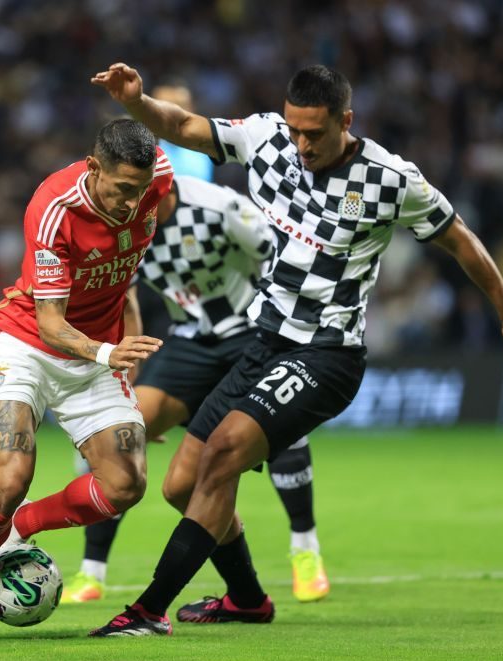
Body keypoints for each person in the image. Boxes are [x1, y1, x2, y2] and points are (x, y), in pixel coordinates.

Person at [88, 62, 503, 636]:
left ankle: (148, 610)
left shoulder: (389, 178)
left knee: (224, 453)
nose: (301, 145)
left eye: (315, 134)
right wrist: (138, 104)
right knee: (181, 484)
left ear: (345, 121)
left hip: (327, 353)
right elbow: (183, 127)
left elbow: (459, 239)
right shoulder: (267, 138)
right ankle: (248, 600)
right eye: (295, 130)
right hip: (262, 342)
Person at [0, 118, 174, 642]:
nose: (131, 203)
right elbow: (50, 322)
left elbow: (127, 261)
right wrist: (111, 350)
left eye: (140, 192)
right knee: (11, 477)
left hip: (98, 356)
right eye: (121, 190)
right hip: (29, 348)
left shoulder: (159, 179)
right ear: (93, 169)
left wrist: (125, 321)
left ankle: (21, 528)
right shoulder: (53, 210)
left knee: (127, 483)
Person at [64, 172, 330, 612]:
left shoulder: (219, 208)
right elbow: (125, 301)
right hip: (190, 340)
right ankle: (92, 572)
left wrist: (289, 337)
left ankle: (306, 549)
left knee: (281, 429)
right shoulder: (124, 226)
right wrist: (124, 381)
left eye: (141, 197)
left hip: (252, 331)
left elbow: (279, 257)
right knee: (117, 434)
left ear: (163, 191)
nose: (131, 207)